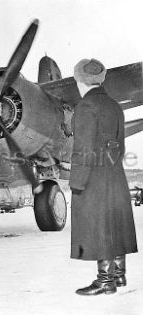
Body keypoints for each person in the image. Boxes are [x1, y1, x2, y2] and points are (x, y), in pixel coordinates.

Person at [70, 58, 138, 296]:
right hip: (115, 174)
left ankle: (105, 280)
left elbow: (83, 150)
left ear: (81, 81)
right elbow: (120, 146)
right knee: (115, 223)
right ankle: (119, 275)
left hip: (94, 177)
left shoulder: (86, 107)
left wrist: (76, 182)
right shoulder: (114, 106)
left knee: (99, 226)